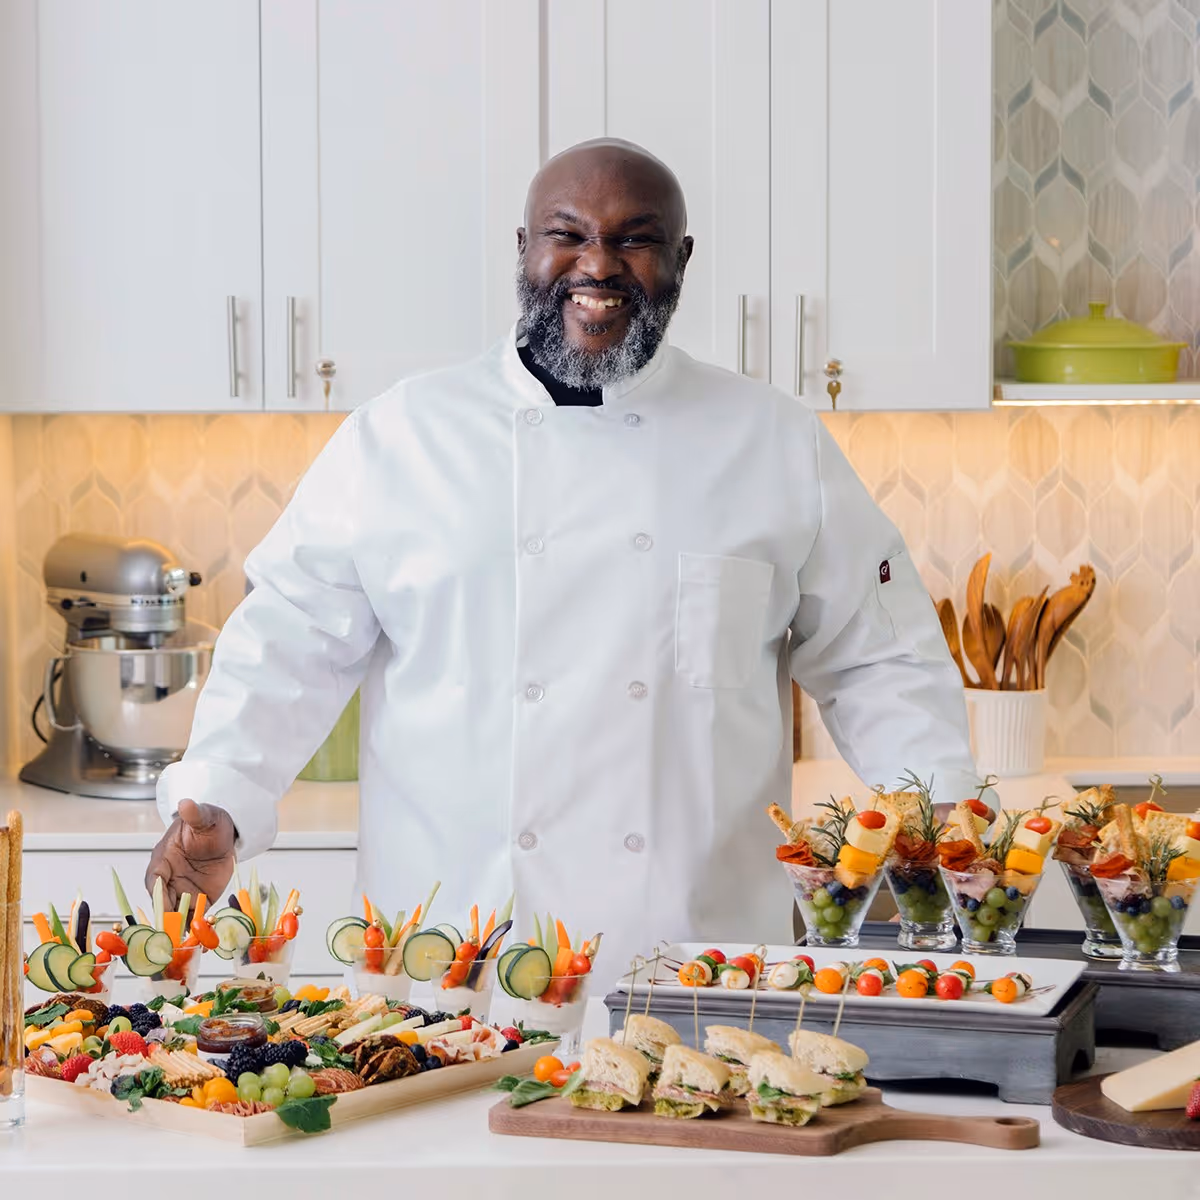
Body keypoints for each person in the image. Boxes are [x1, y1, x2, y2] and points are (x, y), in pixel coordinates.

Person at [146, 139, 978, 971]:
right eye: (568, 234)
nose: (599, 265)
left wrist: (937, 798)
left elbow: (878, 654)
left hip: (697, 953)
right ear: (524, 250)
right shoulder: (401, 437)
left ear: (682, 260)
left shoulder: (774, 442)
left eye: (636, 239)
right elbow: (291, 637)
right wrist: (219, 796)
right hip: (454, 962)